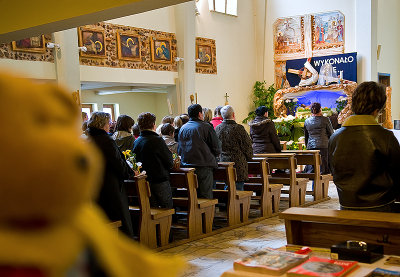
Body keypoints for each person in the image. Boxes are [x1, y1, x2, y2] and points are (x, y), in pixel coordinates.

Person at [329, 81, 400, 212]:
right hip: (381, 207)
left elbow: (334, 172)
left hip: (346, 206)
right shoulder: (385, 137)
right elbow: (397, 175)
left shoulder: (335, 138)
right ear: (377, 108)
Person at [87, 111, 134, 237]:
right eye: (108, 122)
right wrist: (129, 173)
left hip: (95, 184)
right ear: (103, 124)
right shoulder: (105, 140)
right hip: (110, 185)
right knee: (119, 216)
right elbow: (117, 162)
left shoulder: (87, 139)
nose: (110, 125)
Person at [178, 104, 221, 199]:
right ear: (200, 114)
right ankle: (207, 213)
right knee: (205, 196)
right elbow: (216, 147)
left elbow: (180, 149)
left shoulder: (183, 128)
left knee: (193, 196)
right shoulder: (206, 127)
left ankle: (195, 214)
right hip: (203, 166)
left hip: (186, 166)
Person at [133, 112, 174, 208]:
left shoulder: (137, 141)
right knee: (167, 208)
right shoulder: (157, 140)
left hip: (144, 181)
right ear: (153, 124)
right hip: (159, 180)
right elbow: (169, 162)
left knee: (153, 209)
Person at [215, 105, 253, 191]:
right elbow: (247, 147)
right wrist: (249, 157)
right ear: (233, 114)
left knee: (227, 187)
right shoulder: (239, 128)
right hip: (238, 165)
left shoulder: (217, 128)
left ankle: (227, 203)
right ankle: (236, 204)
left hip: (222, 163)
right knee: (238, 190)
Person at [304, 102, 334, 174]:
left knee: (313, 170)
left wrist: (307, 146)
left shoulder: (307, 121)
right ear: (320, 110)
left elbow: (306, 136)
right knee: (323, 170)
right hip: (323, 146)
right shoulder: (325, 119)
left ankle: (314, 184)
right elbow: (331, 133)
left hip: (311, 147)